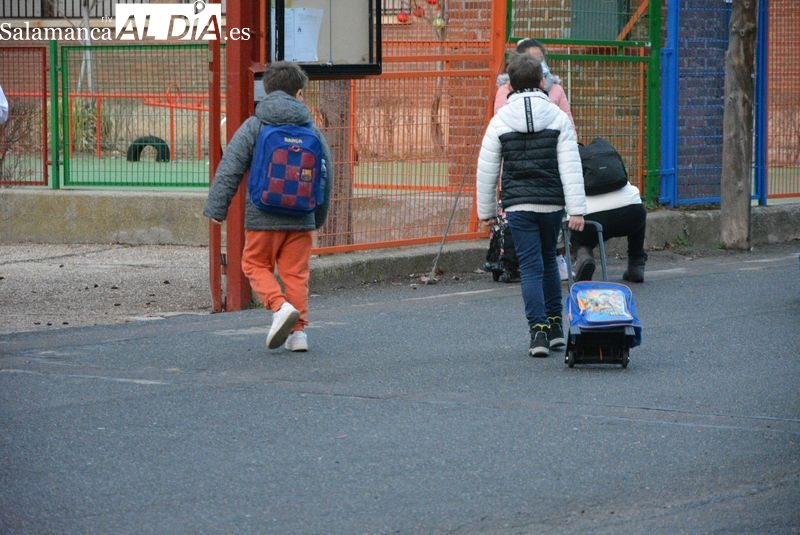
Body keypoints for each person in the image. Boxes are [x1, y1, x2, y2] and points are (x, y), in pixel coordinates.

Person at [203, 61, 333, 352]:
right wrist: (318, 216)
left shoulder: (255, 125)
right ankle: (298, 336)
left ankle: (279, 306)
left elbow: (231, 166)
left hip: (263, 214)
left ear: (268, 90)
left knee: (254, 264)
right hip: (301, 216)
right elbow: (326, 175)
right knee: (296, 275)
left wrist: (217, 208)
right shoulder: (311, 129)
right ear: (299, 94)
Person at [476, 52, 586, 358]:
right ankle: (556, 328)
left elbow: (487, 170)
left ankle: (537, 332)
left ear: (509, 85)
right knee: (550, 259)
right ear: (542, 82)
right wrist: (577, 209)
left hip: (518, 205)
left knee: (530, 266)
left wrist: (486, 212)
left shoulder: (500, 120)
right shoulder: (558, 117)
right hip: (551, 203)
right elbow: (571, 165)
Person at [494, 38, 574, 280]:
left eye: (540, 59)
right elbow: (500, 132)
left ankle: (556, 258)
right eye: (531, 59)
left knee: (551, 227)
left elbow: (569, 125)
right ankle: (513, 261)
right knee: (525, 234)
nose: (537, 63)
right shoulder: (504, 91)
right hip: (517, 169)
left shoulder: (556, 90)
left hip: (550, 168)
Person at [571, 183, 648, 283]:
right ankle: (636, 264)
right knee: (639, 214)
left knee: (577, 230)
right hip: (630, 211)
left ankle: (584, 256)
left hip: (591, 217)